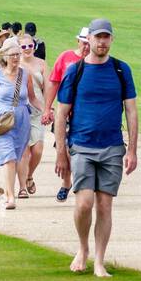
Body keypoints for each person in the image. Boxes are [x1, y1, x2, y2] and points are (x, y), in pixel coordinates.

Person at [54, 18, 138, 277]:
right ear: (88, 40)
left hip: (112, 146)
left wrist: (133, 149)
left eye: (106, 37)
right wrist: (61, 152)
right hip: (81, 144)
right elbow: (61, 112)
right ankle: (83, 248)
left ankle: (100, 261)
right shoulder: (75, 71)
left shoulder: (121, 70)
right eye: (97, 37)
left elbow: (131, 111)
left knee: (104, 205)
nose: (102, 42)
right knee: (83, 204)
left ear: (111, 39)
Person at [0, 39, 39, 209]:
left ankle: (8, 194)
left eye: (17, 54)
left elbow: (33, 98)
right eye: (13, 54)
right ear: (5, 56)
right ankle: (10, 196)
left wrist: (49, 111)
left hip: (21, 121)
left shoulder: (24, 74)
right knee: (9, 158)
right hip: (3, 120)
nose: (16, 57)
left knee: (17, 155)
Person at [43, 27, 90, 202]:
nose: (86, 47)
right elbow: (54, 83)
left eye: (88, 43)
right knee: (63, 150)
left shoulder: (95, 62)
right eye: (83, 43)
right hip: (65, 113)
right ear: (78, 41)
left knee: (80, 151)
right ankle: (67, 182)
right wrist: (48, 108)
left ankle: (75, 183)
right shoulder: (66, 58)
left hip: (85, 115)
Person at [17, 31, 49, 194]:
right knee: (24, 151)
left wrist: (48, 109)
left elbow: (48, 88)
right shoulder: (16, 64)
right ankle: (22, 186)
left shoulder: (41, 63)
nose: (27, 49)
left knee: (37, 150)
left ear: (34, 47)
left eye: (30, 46)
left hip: (38, 110)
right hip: (21, 110)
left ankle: (29, 175)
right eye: (24, 46)